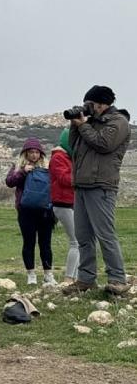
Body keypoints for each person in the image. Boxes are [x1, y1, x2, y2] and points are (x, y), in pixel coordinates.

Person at [62, 86, 131, 297]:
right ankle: (86, 279)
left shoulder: (118, 122)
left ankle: (117, 279)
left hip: (101, 185)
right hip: (82, 184)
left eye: (90, 104)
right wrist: (76, 124)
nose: (87, 108)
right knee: (83, 235)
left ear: (101, 103)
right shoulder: (90, 123)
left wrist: (83, 125)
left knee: (105, 234)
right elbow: (72, 145)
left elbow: (103, 143)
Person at [5, 137, 56, 286]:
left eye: (37, 152)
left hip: (45, 210)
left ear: (41, 153)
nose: (34, 155)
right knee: (29, 243)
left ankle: (48, 274)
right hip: (25, 210)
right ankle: (31, 274)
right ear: (25, 153)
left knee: (45, 243)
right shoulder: (18, 167)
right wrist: (22, 172)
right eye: (31, 152)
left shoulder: (47, 167)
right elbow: (9, 182)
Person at [49, 128, 79, 284]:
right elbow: (64, 179)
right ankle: (69, 278)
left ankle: (75, 277)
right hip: (63, 203)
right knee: (76, 242)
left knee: (78, 242)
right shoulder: (59, 157)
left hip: (69, 202)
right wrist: (81, 175)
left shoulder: (66, 157)